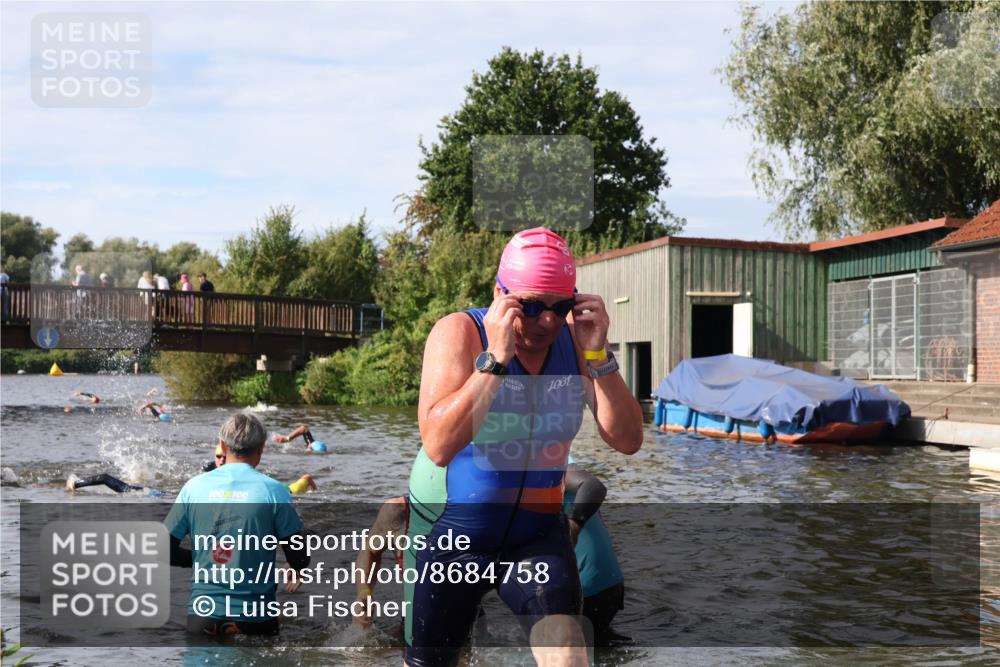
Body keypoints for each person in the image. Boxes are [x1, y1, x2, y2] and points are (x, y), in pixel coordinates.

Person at [405, 227, 643, 667]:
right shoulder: (461, 333)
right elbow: (438, 444)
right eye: (530, 305)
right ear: (501, 293)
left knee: (569, 654)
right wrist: (495, 359)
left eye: (560, 307)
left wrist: (599, 358)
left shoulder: (576, 341)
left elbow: (627, 440)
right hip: (460, 536)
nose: (547, 321)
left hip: (536, 538)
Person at [165, 413, 311, 637]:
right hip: (257, 619)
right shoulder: (275, 491)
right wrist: (296, 567)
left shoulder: (193, 488)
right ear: (261, 448)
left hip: (203, 617)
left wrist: (202, 556)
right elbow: (299, 557)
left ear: (222, 445)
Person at [564, 458, 628, 647]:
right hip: (610, 588)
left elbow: (594, 486)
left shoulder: (545, 458)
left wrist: (574, 527)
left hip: (585, 594)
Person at [202, 443, 317, 494]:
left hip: (279, 489)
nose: (221, 460)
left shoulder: (244, 471)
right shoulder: (208, 469)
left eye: (224, 457)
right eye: (218, 457)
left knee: (292, 489)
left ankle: (306, 480)